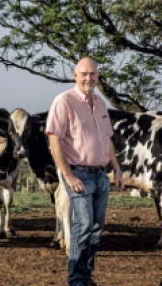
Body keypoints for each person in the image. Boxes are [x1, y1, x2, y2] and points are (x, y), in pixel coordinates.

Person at [45, 57, 124, 286]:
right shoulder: (64, 101)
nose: (88, 78)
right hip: (79, 174)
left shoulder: (100, 103)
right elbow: (54, 139)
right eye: (84, 74)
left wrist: (117, 170)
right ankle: (77, 279)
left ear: (98, 76)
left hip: (101, 175)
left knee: (97, 228)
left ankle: (86, 274)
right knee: (83, 225)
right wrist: (68, 175)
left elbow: (107, 139)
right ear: (75, 75)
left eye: (93, 74)